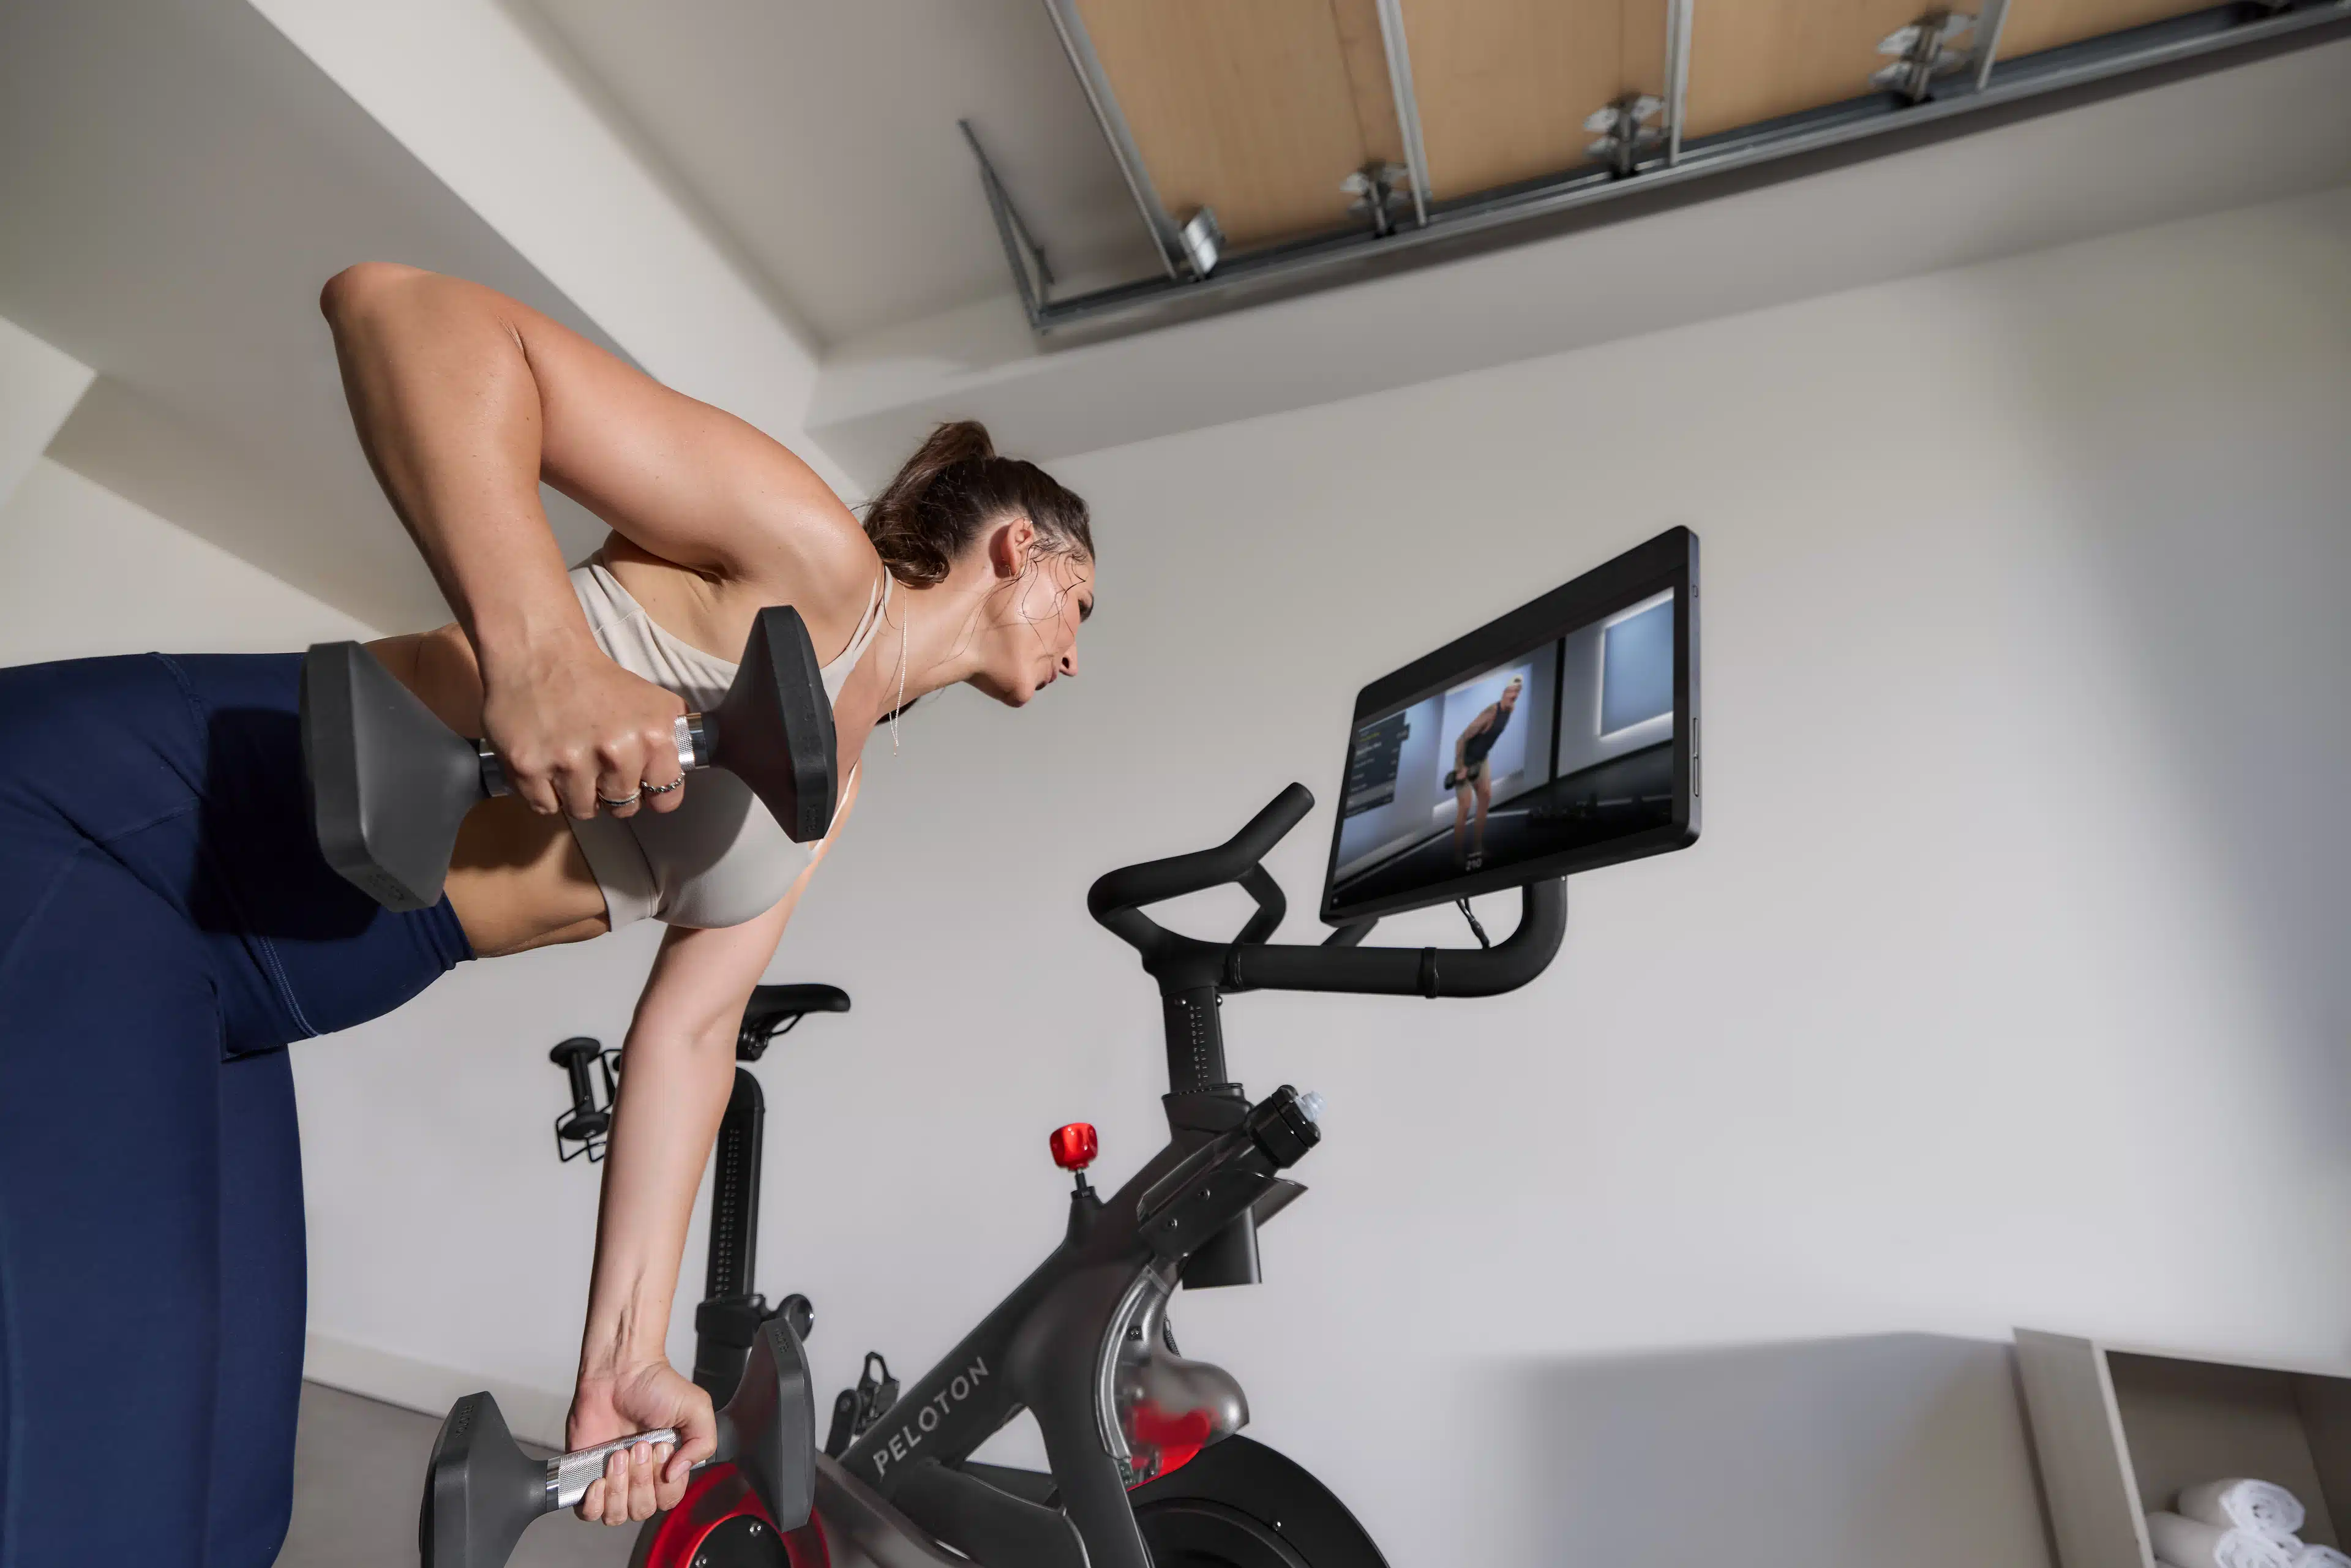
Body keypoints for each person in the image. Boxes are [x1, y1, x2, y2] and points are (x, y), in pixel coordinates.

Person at [0, 264, 1095, 1567]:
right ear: (1022, 547)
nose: (1078, 647)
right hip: (123, 825)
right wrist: (540, 656)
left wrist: (619, 1360)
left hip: (247, 988)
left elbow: (688, 1041)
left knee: (232, 1498)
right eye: (1082, 602)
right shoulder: (810, 552)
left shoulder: (839, 784)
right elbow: (399, 309)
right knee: (102, 1479)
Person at [1447, 675, 1521, 869]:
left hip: (1481, 761)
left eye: (1517, 693)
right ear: (1504, 693)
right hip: (1464, 761)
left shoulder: (1510, 710)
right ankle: (1456, 855)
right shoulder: (1490, 714)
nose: (1513, 696)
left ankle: (1477, 848)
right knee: (1465, 807)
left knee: (1486, 798)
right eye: (1511, 692)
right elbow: (1460, 740)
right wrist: (1461, 768)